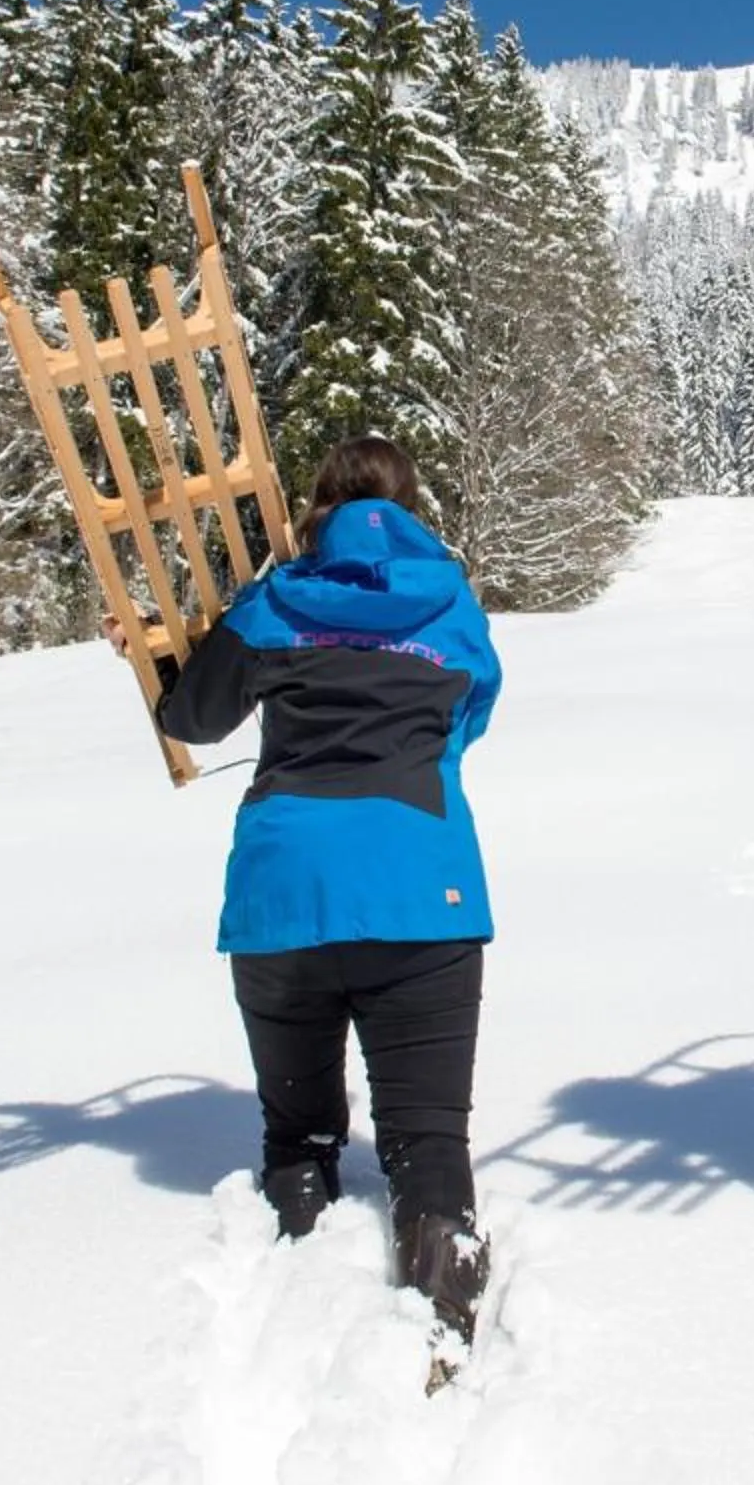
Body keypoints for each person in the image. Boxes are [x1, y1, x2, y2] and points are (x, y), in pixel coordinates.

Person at [105, 434, 503, 1369]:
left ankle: (292, 1291)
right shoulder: (451, 605)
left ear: (313, 514)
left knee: (298, 1131)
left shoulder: (275, 601)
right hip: (423, 895)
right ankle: (442, 1319)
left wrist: (157, 654)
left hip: (284, 897)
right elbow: (474, 713)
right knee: (429, 1138)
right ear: (413, 508)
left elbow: (193, 719)